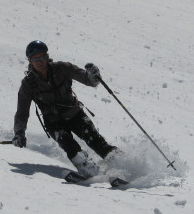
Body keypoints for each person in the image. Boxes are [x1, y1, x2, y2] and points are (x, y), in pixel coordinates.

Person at [12, 40, 117, 177]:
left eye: (42, 57)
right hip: (53, 122)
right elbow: (22, 112)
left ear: (47, 56)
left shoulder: (62, 68)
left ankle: (122, 163)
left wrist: (94, 76)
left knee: (97, 142)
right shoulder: (28, 84)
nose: (40, 61)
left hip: (75, 114)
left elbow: (88, 80)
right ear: (30, 61)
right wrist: (19, 133)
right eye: (35, 59)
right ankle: (90, 171)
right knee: (70, 147)